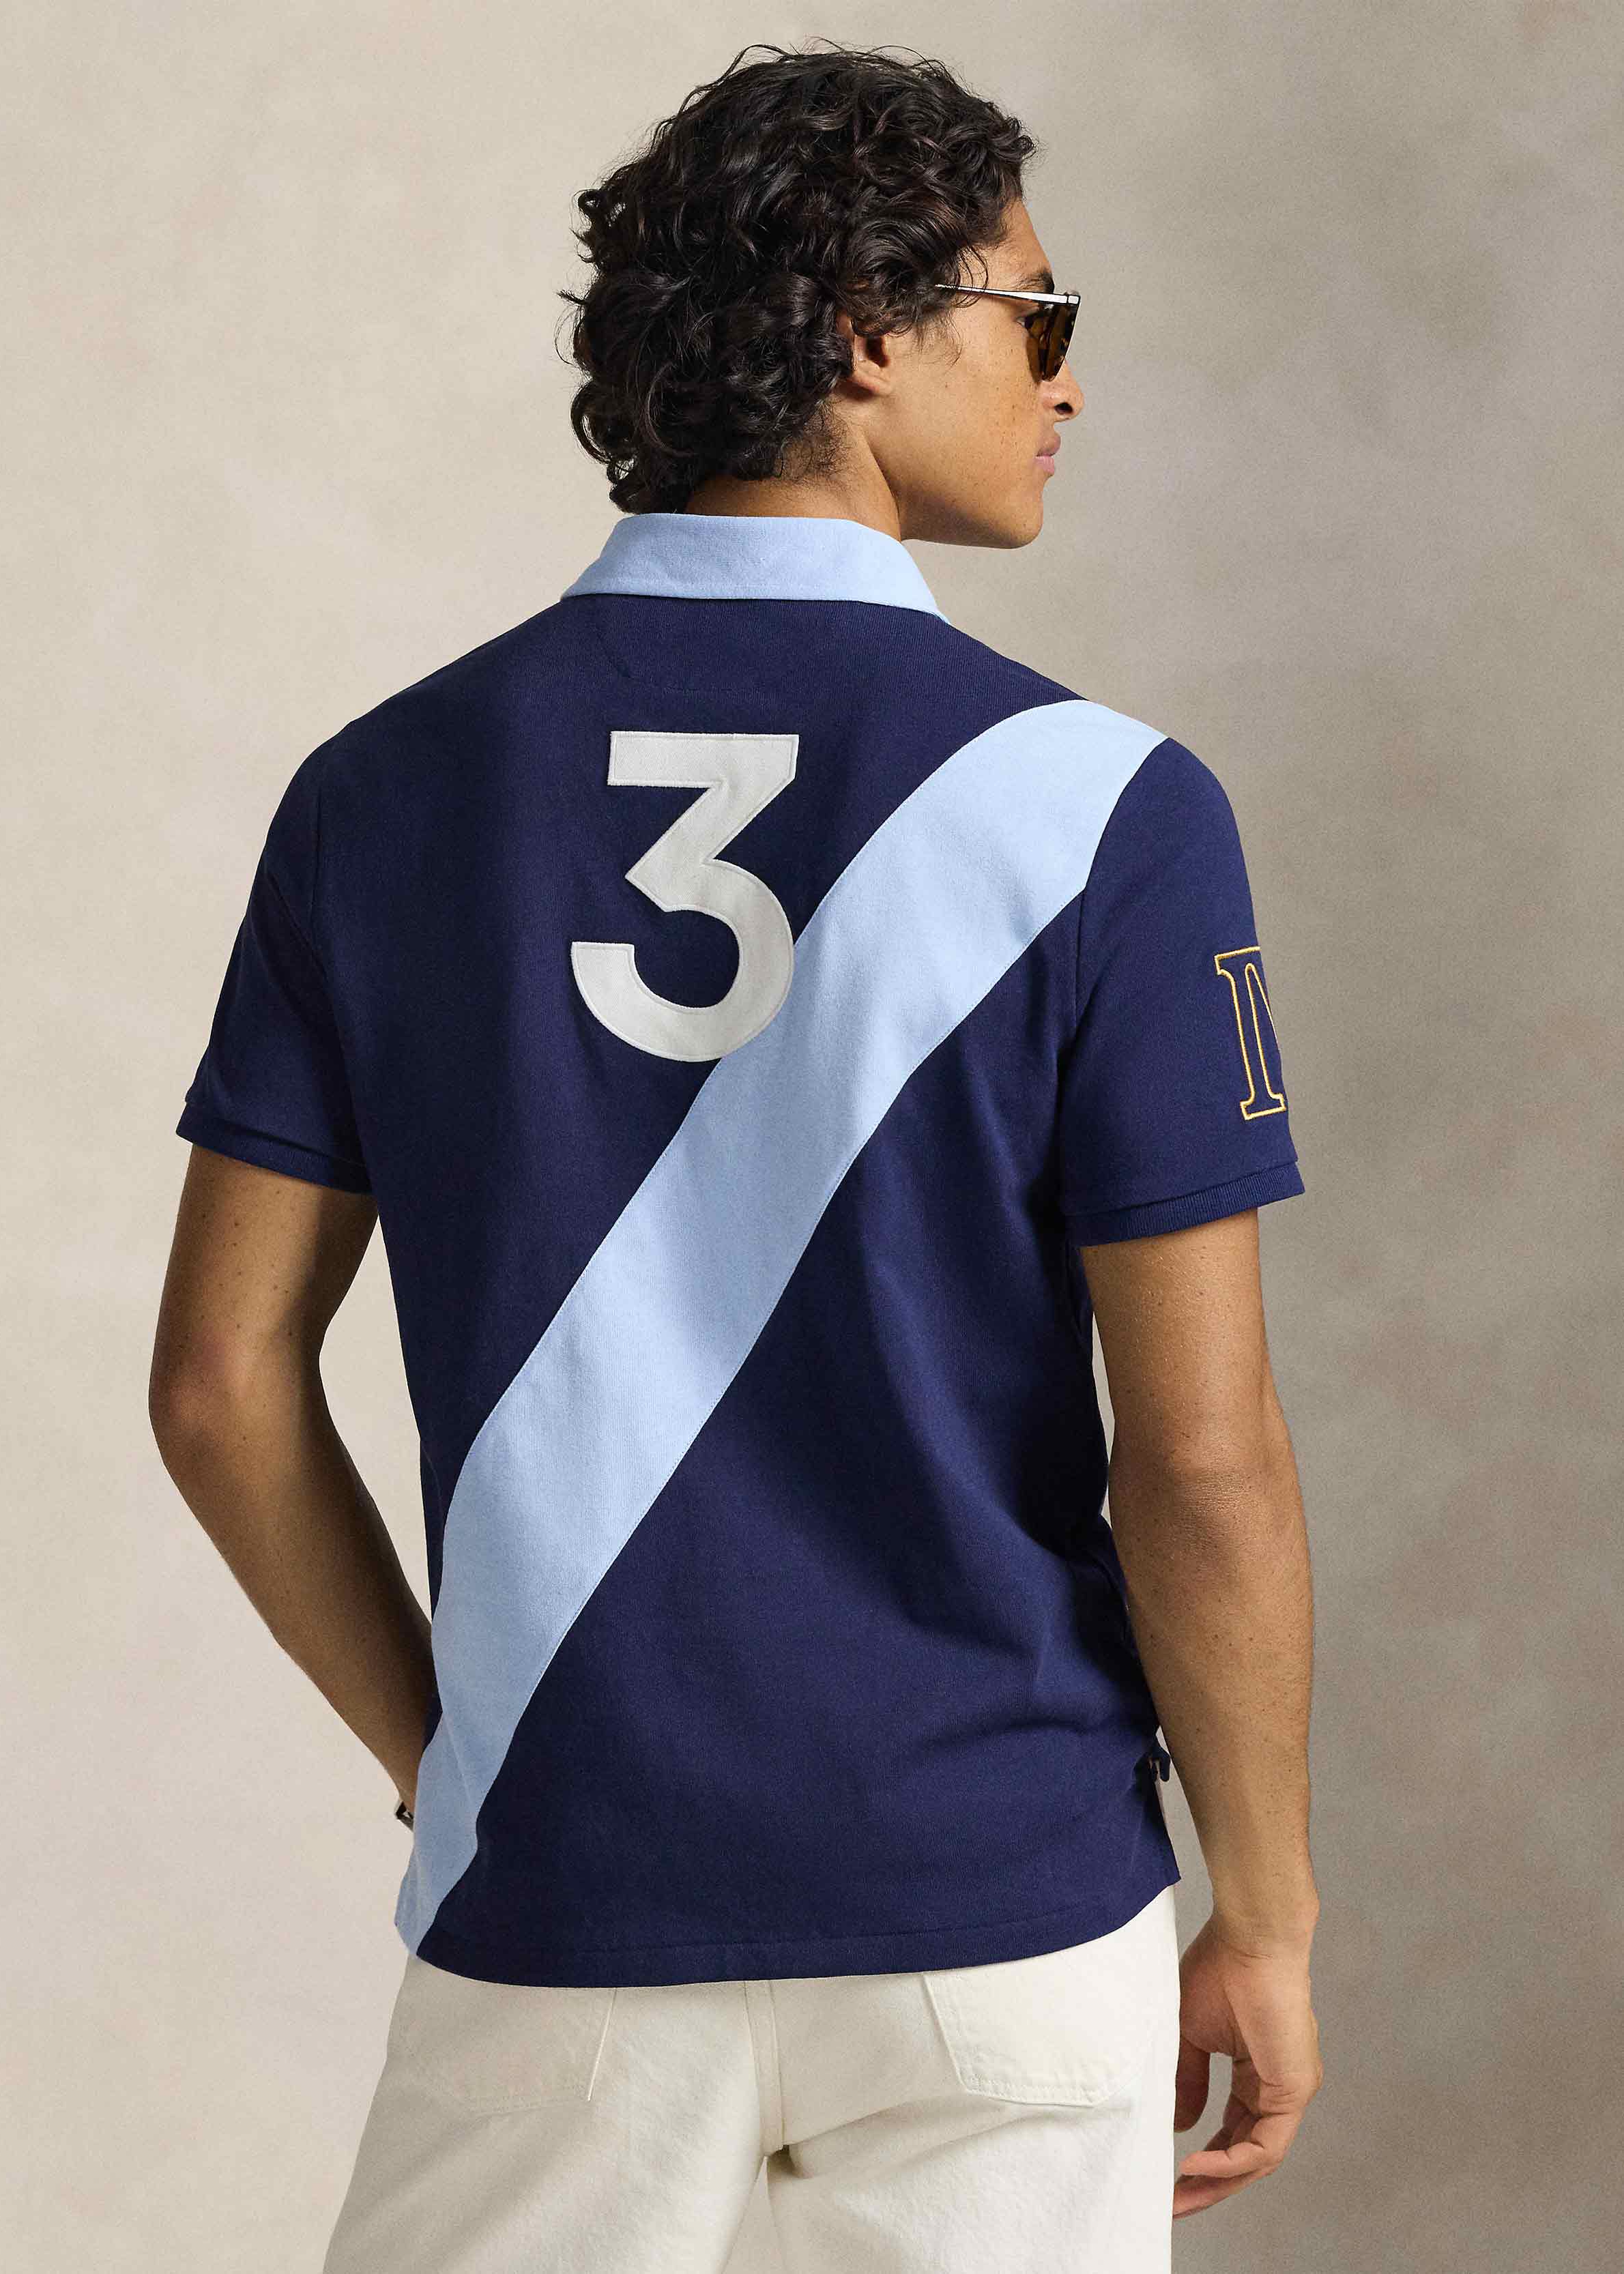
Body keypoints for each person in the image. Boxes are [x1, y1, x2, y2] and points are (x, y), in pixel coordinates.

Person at [149, 38, 1322, 2273]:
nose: (1069, 381)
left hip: (569, 1891)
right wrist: (1259, 1911)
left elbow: (218, 1387)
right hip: (997, 1896)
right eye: (1038, 317)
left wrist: (453, 1759)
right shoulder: (1104, 809)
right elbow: (1201, 1461)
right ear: (872, 333)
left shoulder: (378, 793)